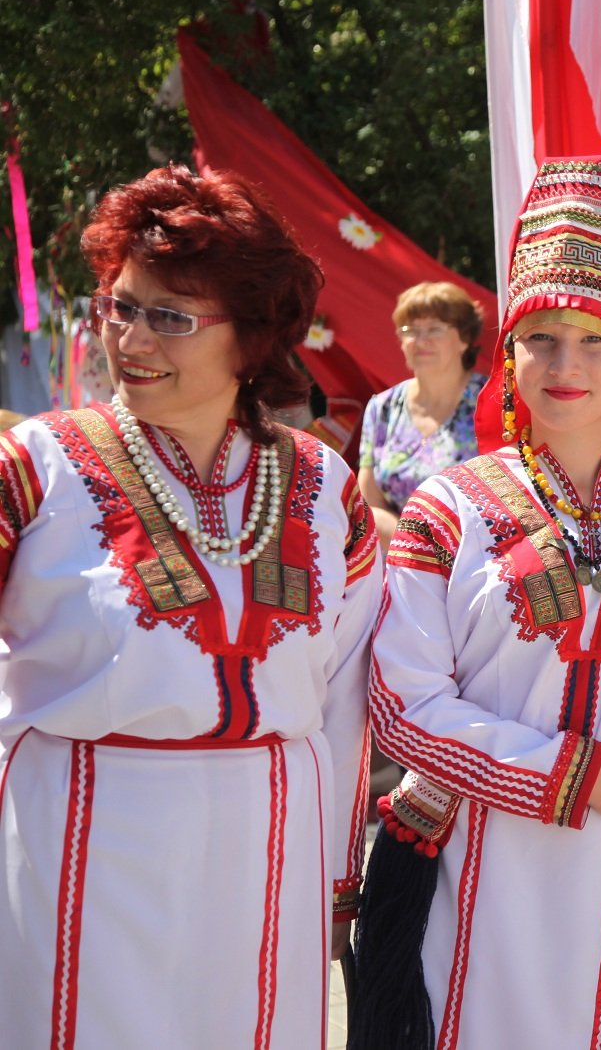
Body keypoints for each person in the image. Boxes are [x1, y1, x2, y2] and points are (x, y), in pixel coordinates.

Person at [350, 156, 601, 1050]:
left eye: (593, 340)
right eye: (541, 339)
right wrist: (583, 774)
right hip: (469, 872)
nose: (566, 365)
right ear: (508, 353)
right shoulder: (447, 506)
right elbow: (403, 708)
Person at [0, 163, 379, 1046]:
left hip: (268, 847)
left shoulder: (324, 486)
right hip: (82, 834)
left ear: (250, 338)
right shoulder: (36, 468)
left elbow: (352, 692)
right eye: (120, 306)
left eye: (170, 316)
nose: (131, 339)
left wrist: (334, 878)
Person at [358, 282, 486, 549]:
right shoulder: (381, 408)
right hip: (399, 561)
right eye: (410, 330)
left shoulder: (493, 402)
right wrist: (415, 548)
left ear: (463, 338)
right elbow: (369, 502)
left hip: (478, 559)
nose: (421, 340)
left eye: (435, 329)